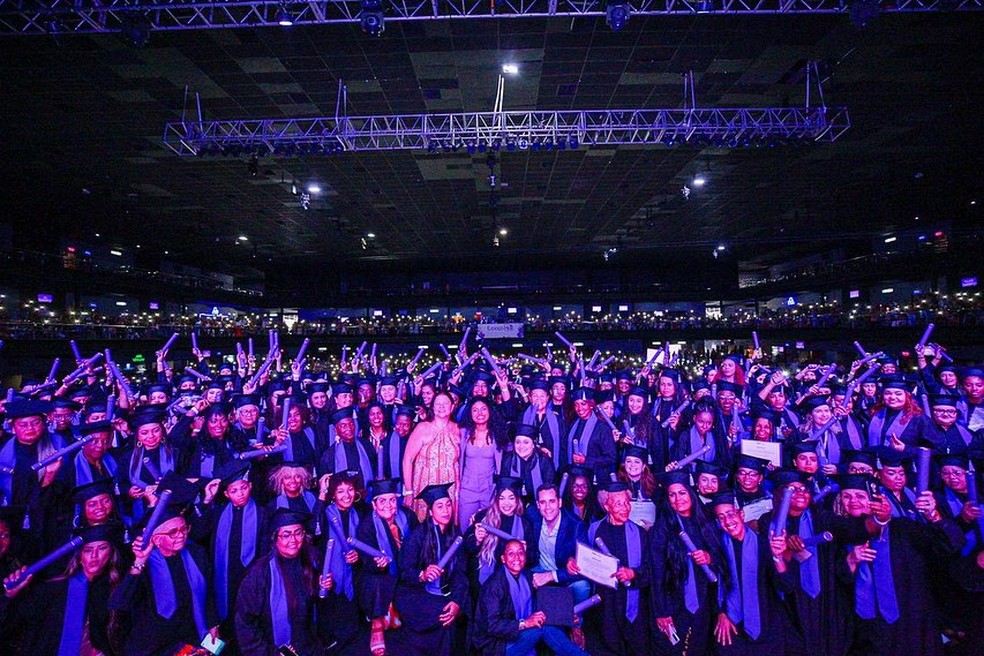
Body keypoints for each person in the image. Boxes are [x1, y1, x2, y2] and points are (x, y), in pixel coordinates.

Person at [835, 474, 963, 656]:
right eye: (847, 496)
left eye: (860, 496)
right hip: (864, 626)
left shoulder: (902, 528)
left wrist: (933, 515)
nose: (853, 501)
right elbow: (835, 582)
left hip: (910, 618)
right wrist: (851, 560)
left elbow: (950, 544)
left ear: (875, 499)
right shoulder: (840, 532)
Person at [109, 483, 220, 655]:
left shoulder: (196, 553)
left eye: (184, 529)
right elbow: (120, 603)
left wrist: (213, 623)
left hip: (192, 637)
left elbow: (209, 592)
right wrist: (140, 561)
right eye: (172, 532)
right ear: (156, 538)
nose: (181, 535)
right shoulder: (141, 562)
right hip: (153, 645)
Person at [1, 523, 123, 655]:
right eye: (87, 550)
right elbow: (8, 627)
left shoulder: (114, 591)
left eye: (102, 548)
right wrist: (9, 597)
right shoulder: (52, 590)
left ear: (111, 554)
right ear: (80, 557)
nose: (94, 556)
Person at [234, 508, 333, 656]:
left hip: (309, 645)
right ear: (275, 539)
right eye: (286, 535)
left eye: (298, 533)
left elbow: (319, 607)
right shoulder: (259, 574)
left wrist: (323, 588)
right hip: (274, 648)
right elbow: (245, 623)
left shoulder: (312, 560)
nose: (293, 540)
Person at [568, 481, 651, 656]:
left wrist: (633, 572)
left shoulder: (640, 533)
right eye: (619, 504)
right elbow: (583, 559)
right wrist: (572, 560)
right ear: (607, 506)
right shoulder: (594, 530)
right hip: (603, 603)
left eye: (627, 503)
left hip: (632, 603)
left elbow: (650, 570)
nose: (625, 508)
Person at [709, 493, 796, 655]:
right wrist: (720, 612)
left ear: (741, 514)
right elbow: (713, 585)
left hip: (767, 624)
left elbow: (787, 586)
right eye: (721, 518)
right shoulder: (717, 548)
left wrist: (778, 557)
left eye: (730, 514)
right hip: (732, 625)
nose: (728, 521)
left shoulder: (764, 545)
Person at [472, 539, 587, 656]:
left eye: (520, 552)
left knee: (549, 625)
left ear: (525, 557)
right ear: (503, 559)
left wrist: (565, 614)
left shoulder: (528, 577)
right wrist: (525, 623)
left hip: (518, 634)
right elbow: (492, 626)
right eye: (511, 553)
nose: (517, 557)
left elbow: (548, 599)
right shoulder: (493, 586)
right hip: (496, 645)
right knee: (542, 628)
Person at [649, 473, 722, 656]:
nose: (677, 499)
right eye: (672, 495)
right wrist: (661, 612)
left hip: (704, 599)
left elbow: (722, 559)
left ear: (691, 493)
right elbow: (656, 571)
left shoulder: (706, 522)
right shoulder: (662, 527)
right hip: (673, 600)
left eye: (682, 493)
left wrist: (709, 558)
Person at [392, 483, 467, 656]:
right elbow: (404, 573)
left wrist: (456, 601)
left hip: (444, 592)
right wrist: (422, 574)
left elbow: (460, 574)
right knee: (443, 615)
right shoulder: (418, 536)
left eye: (448, 504)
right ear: (431, 512)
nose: (446, 510)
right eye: (439, 506)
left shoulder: (455, 535)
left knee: (450, 613)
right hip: (415, 593)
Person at [197, 460, 268, 639]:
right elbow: (197, 533)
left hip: (249, 576)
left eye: (243, 488)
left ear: (250, 486)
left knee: (248, 619)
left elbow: (265, 551)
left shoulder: (262, 513)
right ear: (226, 494)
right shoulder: (218, 513)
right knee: (227, 623)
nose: (240, 494)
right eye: (234, 491)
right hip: (223, 577)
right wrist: (207, 500)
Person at [355, 477, 416, 656]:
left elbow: (419, 543)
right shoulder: (367, 526)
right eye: (382, 501)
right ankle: (377, 627)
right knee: (375, 581)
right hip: (379, 577)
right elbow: (365, 562)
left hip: (404, 572)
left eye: (392, 499)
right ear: (374, 505)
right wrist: (377, 565)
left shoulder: (408, 516)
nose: (388, 505)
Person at [402, 393, 460, 522]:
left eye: (445, 403)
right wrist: (409, 491)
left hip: (450, 487)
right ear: (432, 407)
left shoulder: (457, 429)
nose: (441, 406)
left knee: (447, 522)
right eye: (437, 403)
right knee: (425, 523)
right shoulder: (422, 428)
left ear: (452, 407)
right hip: (425, 486)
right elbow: (408, 460)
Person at [458, 397, 506, 527]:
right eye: (475, 410)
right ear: (470, 413)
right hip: (467, 488)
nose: (480, 413)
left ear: (490, 411)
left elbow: (518, 448)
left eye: (483, 409)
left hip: (490, 489)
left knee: (488, 528)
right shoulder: (463, 434)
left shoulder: (498, 434)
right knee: (465, 528)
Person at [499, 425, 556, 506]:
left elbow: (549, 489)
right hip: (514, 506)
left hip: (538, 505)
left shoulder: (544, 461)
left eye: (526, 442)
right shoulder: (508, 460)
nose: (521, 446)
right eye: (518, 442)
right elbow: (503, 489)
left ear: (533, 444)